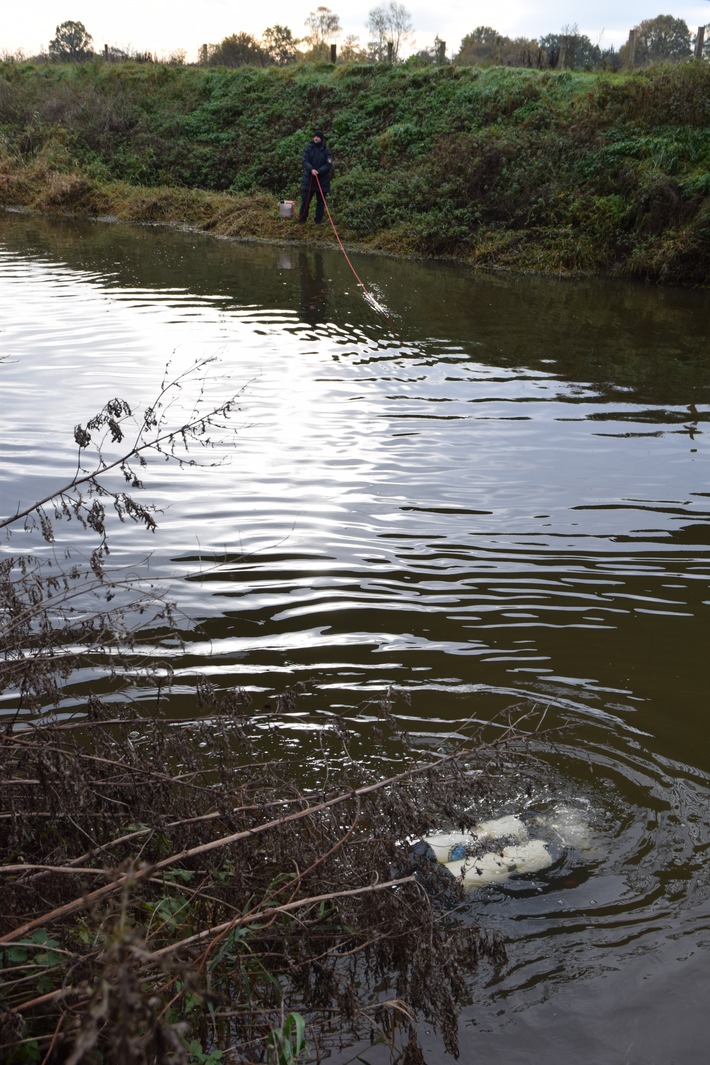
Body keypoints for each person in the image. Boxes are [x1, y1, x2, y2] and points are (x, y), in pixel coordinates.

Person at [298, 129, 333, 225]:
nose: (316, 138)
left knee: (320, 203)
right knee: (305, 201)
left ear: (321, 139)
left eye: (318, 137)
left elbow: (328, 164)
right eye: (315, 136)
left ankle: (318, 221)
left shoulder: (326, 150)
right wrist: (311, 169)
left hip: (322, 181)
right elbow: (305, 160)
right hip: (309, 180)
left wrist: (319, 171)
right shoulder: (309, 148)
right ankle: (302, 220)